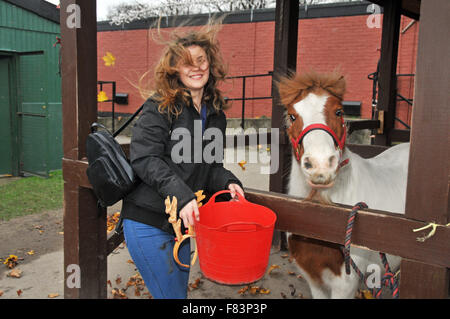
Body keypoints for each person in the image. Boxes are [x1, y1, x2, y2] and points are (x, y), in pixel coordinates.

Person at [121, 20, 245, 299]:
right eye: (187, 62)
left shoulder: (215, 115)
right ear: (175, 69)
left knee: (178, 295)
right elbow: (146, 159)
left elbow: (210, 166)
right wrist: (182, 195)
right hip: (149, 222)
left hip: (184, 225)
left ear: (210, 66)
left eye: (201, 60)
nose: (196, 67)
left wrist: (228, 182)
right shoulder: (159, 107)